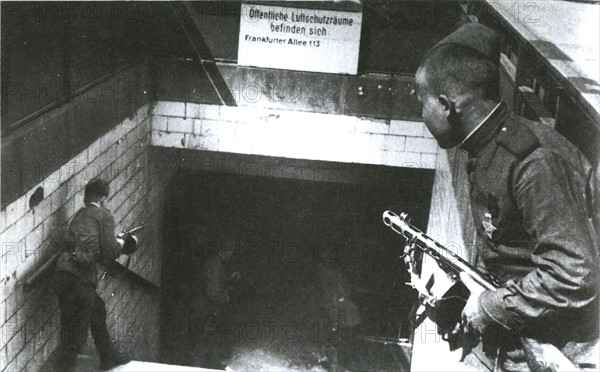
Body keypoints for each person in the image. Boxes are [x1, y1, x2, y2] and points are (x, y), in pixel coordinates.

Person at [414, 22, 599, 370]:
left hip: (565, 352)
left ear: (446, 105)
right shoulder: (488, 149)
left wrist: (489, 308)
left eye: (420, 101)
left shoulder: (533, 161)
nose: (420, 114)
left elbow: (574, 274)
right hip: (528, 338)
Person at [52, 178, 131, 371]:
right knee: (76, 334)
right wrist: (121, 244)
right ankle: (68, 368)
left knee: (96, 309)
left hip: (62, 274)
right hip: (79, 279)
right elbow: (107, 255)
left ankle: (108, 356)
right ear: (103, 198)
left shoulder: (79, 215)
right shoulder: (104, 216)